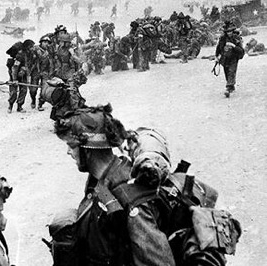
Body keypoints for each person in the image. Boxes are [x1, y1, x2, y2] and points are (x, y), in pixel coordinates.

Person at [52, 104, 240, 266]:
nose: (68, 152)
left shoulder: (134, 201)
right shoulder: (102, 177)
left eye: (71, 145)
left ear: (89, 150)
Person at [215, 21, 244, 97]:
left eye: (230, 31)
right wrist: (216, 57)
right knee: (227, 72)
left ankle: (228, 88)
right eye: (228, 31)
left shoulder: (237, 38)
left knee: (231, 71)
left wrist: (233, 46)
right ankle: (231, 86)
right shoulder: (222, 39)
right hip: (225, 58)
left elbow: (241, 51)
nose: (229, 33)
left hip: (234, 58)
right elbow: (218, 48)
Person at [7, 39, 35, 113]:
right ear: (27, 47)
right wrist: (14, 79)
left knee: (24, 91)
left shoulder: (31, 54)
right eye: (31, 47)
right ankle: (10, 106)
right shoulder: (20, 54)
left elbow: (30, 65)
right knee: (14, 92)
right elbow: (15, 67)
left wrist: (26, 73)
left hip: (24, 75)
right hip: (15, 74)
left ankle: (19, 107)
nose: (33, 48)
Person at [30, 35, 53, 110]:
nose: (46, 44)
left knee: (44, 89)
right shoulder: (35, 49)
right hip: (35, 71)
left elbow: (51, 62)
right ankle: (33, 100)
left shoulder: (49, 51)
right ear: (41, 42)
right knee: (33, 90)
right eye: (45, 42)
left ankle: (40, 104)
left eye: (48, 42)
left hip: (45, 72)